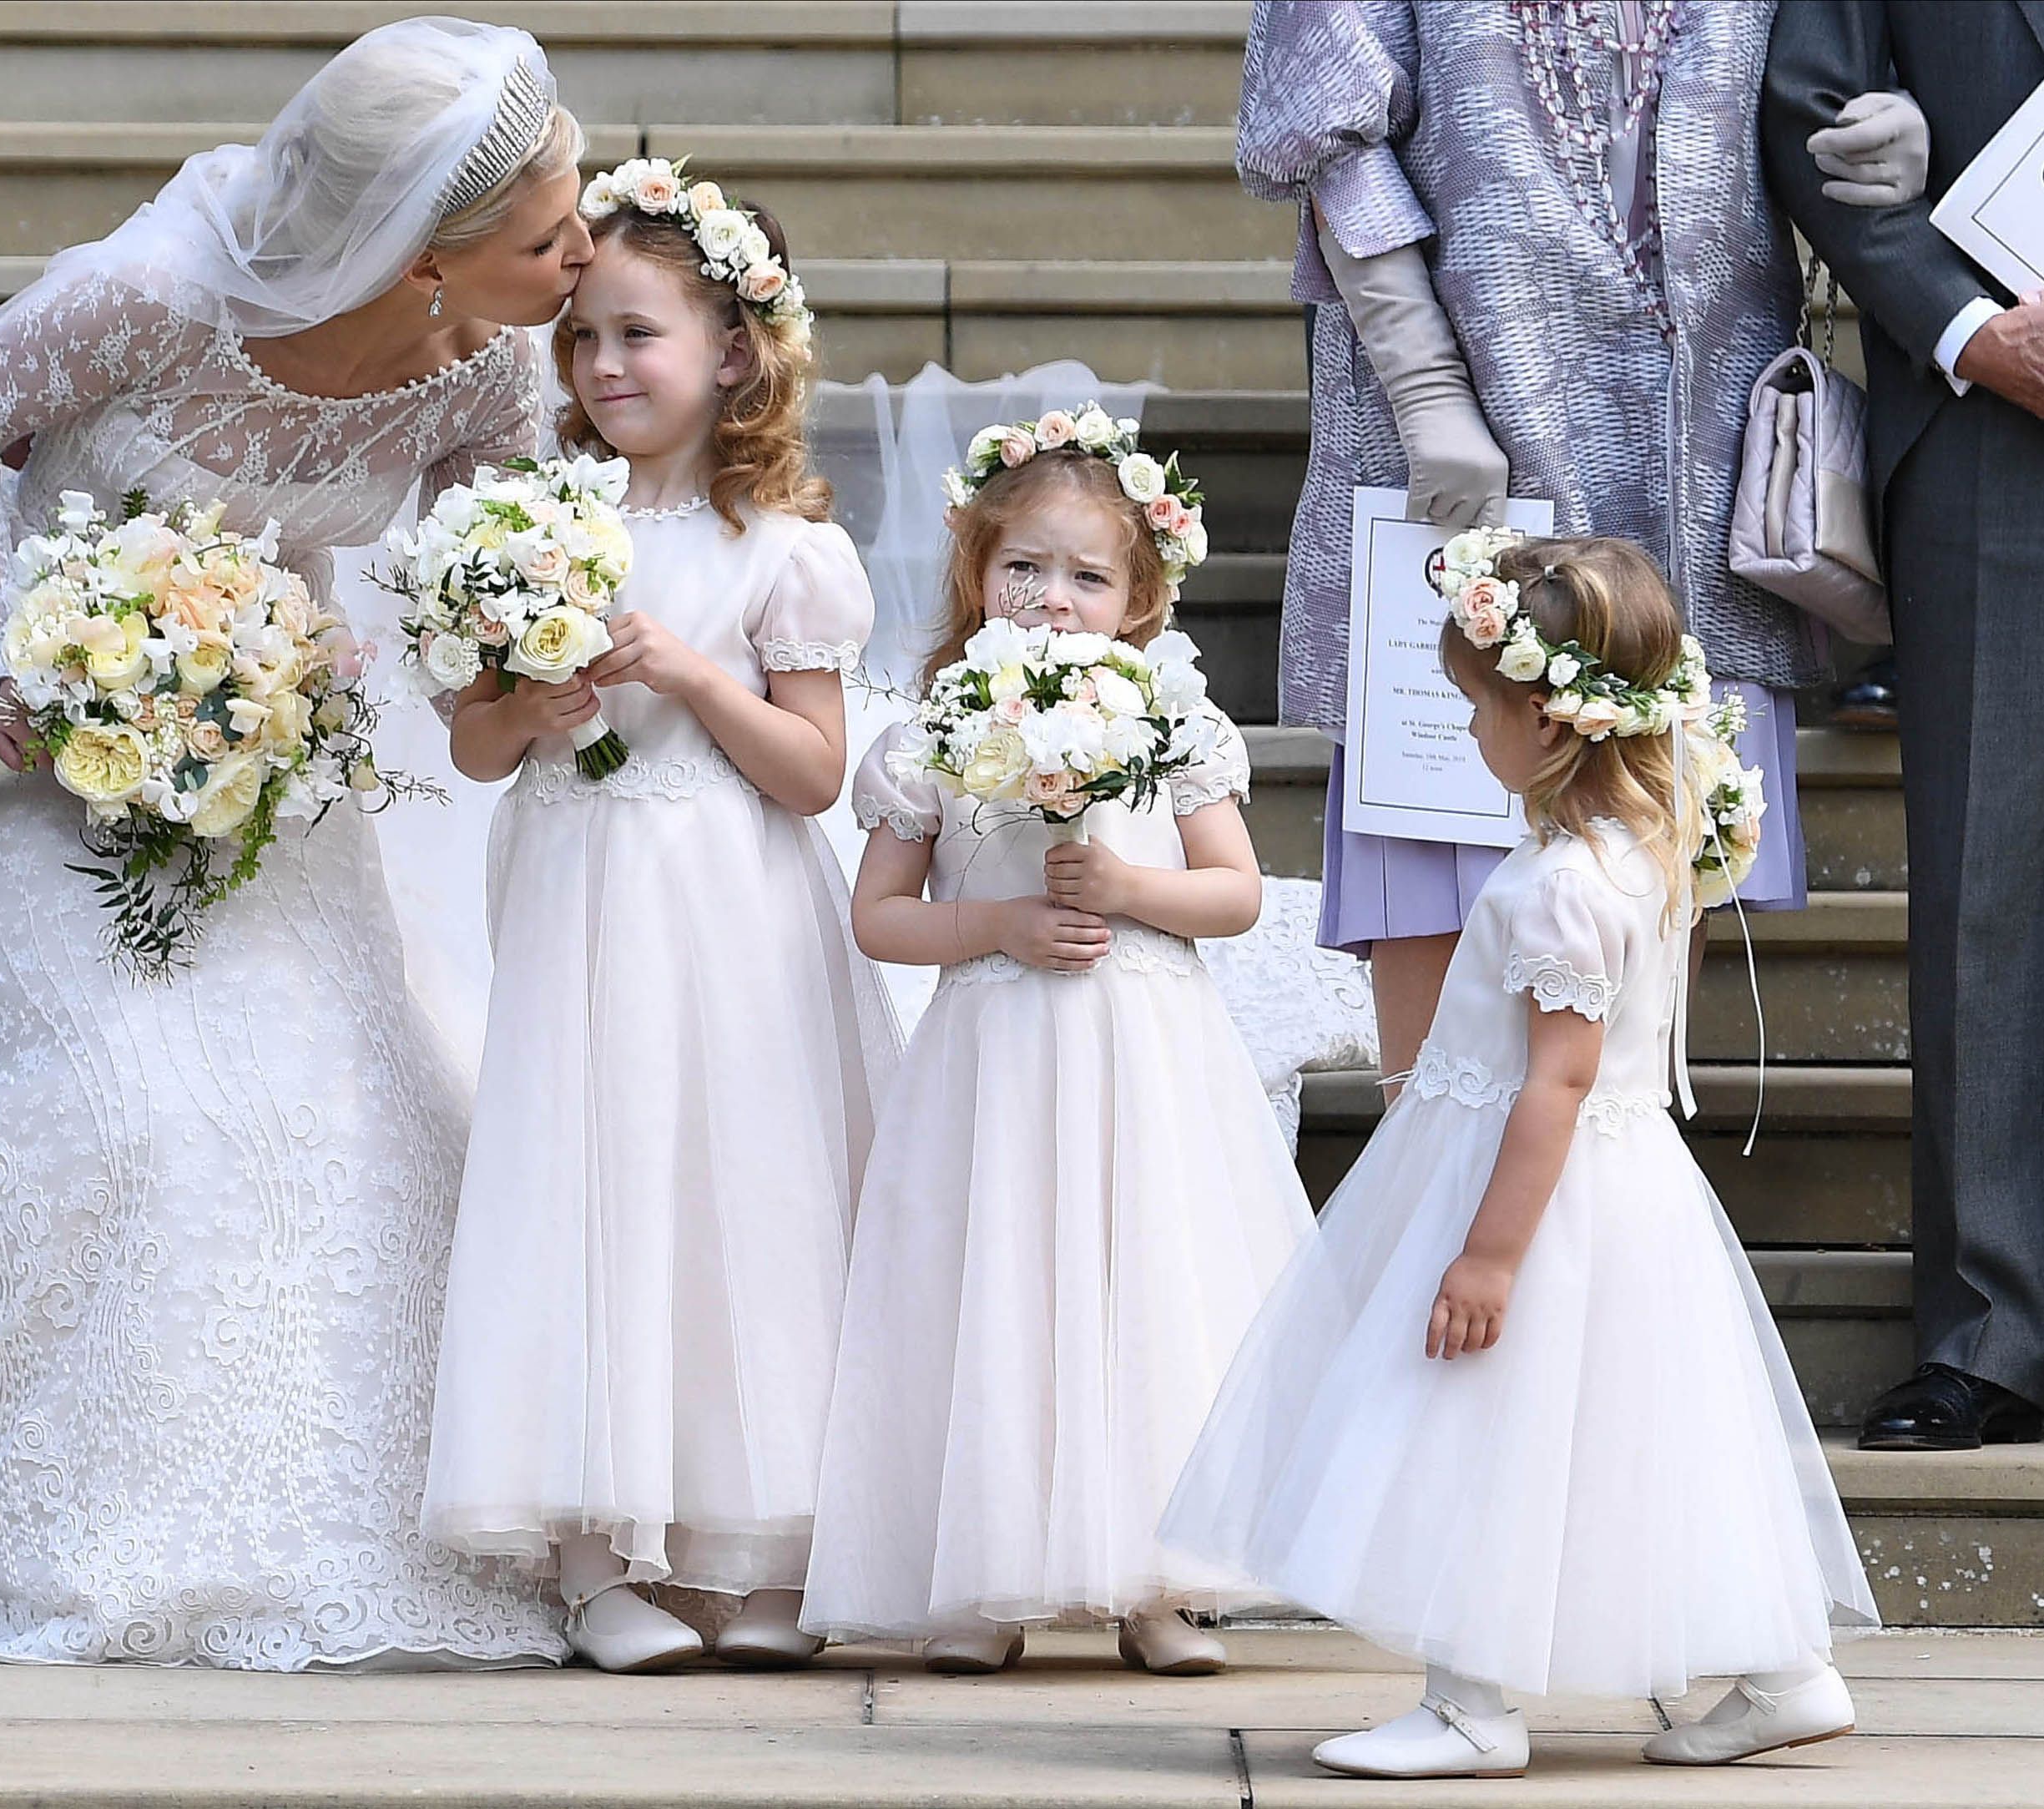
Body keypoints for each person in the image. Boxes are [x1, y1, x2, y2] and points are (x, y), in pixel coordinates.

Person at [0, 19, 588, 1668]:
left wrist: (502, 647)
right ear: (422, 256)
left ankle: (337, 1520)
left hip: (275, 769)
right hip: (39, 764)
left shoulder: (492, 360)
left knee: (350, 1128)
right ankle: (82, 1525)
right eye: (546, 234)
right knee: (141, 1119)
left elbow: (492, 547)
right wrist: (2, 646)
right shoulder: (155, 294)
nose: (584, 250)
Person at [1162, 537, 1876, 1779]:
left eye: (1475, 708)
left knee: (1472, 1421)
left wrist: (1488, 1256)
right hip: (1620, 1189)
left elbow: (1554, 1077)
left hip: (1531, 1195)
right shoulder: (1643, 855)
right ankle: (1783, 1673)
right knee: (1630, 1437)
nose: (1468, 732)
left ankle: (1472, 1705)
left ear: (1549, 722)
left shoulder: (1557, 887)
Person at [418, 163, 898, 1674]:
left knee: (741, 1191)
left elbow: (816, 775)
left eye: (639, 336)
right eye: (581, 339)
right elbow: (474, 746)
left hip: (735, 911)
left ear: (736, 353)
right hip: (579, 896)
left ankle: (769, 1544)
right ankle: (588, 1556)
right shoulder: (524, 521)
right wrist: (529, 705)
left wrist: (696, 676)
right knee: (588, 1178)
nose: (605, 367)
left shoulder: (783, 551)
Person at [1235, 1, 1885, 1084]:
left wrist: (1894, 130)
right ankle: (1438, 1246)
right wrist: (1425, 384)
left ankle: (1596, 1246)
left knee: (1631, 977)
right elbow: (1326, 128)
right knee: (1441, 1024)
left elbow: (1820, 74)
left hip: (1691, 466)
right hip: (1453, 461)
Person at [799, 417, 1316, 1676]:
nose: (1049, 600)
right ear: (975, 569)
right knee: (992, 1288)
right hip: (994, 1056)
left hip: (1138, 1054)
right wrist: (1001, 923)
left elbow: (1234, 892)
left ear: (1140, 599)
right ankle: (980, 1579)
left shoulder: (1175, 718)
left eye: (1087, 577)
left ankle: (1155, 1582)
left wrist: (1129, 892)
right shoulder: (931, 730)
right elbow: (880, 918)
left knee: (1138, 1286)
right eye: (1022, 567)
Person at [1764, 0, 2044, 1453]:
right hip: (1989, 425)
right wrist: (1965, 328)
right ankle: (1992, 1329)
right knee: (1983, 892)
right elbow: (1809, 104)